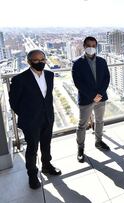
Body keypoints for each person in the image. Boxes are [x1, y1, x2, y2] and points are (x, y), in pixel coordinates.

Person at [9, 49, 61, 189]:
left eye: (42, 60)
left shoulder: (50, 75)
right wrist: (28, 115)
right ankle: (32, 175)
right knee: (32, 149)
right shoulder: (19, 79)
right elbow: (14, 103)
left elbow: (46, 97)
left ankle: (47, 166)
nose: (40, 62)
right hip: (31, 121)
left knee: (46, 144)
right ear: (29, 61)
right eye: (36, 60)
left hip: (47, 118)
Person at [72, 36, 111, 163]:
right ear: (84, 46)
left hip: (101, 97)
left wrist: (100, 93)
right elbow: (78, 83)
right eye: (89, 45)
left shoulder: (102, 61)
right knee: (82, 125)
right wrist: (92, 95)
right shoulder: (77, 63)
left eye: (94, 46)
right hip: (86, 99)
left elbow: (106, 78)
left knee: (99, 121)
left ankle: (99, 142)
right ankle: (80, 149)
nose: (91, 48)